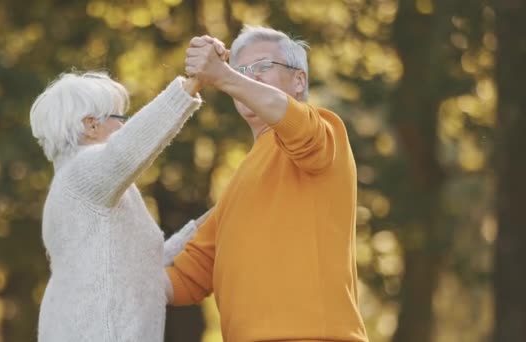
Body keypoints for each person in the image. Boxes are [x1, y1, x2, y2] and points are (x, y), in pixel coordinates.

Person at [167, 27, 369, 342]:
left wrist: (224, 76)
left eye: (263, 67)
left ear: (299, 80)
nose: (251, 77)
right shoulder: (240, 181)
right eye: (243, 71)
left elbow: (295, 124)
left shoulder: (323, 130)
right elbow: (186, 276)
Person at [30, 70, 209, 341]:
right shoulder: (81, 175)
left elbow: (144, 265)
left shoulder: (93, 192)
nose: (126, 126)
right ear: (91, 125)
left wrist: (213, 220)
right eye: (121, 118)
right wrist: (190, 86)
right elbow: (126, 149)